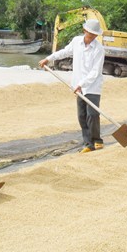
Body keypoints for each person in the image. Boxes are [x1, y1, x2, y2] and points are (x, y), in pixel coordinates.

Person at [39, 19, 105, 153]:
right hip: (78, 85)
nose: (92, 36)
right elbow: (64, 52)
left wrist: (82, 84)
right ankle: (88, 143)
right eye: (90, 33)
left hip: (92, 86)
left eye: (94, 35)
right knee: (81, 116)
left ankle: (97, 139)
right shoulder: (76, 42)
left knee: (92, 114)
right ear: (84, 31)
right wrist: (49, 59)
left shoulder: (99, 49)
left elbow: (95, 71)